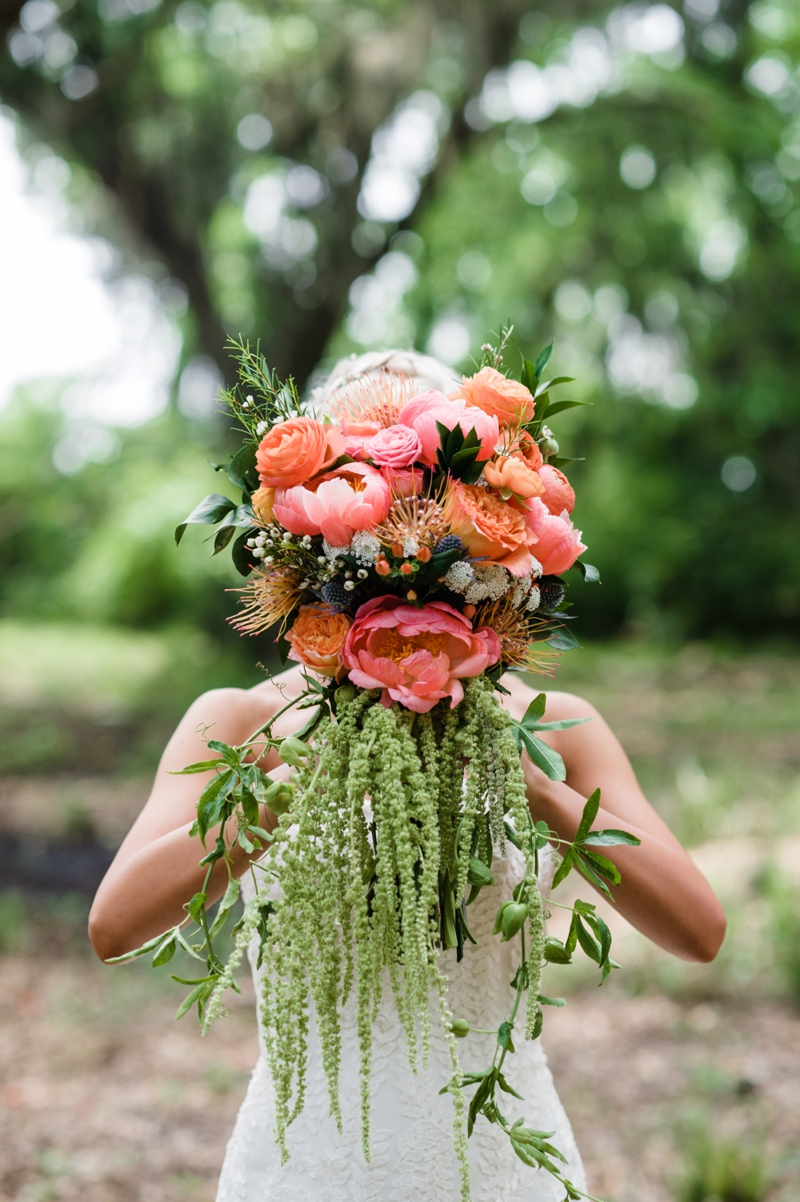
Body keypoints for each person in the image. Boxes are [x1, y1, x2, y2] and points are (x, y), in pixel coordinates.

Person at [88, 352, 727, 1202]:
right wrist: (275, 803)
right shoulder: (239, 720)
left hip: (499, 1159)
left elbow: (699, 930)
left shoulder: (559, 727)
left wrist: (534, 784)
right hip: (312, 1159)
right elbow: (113, 925)